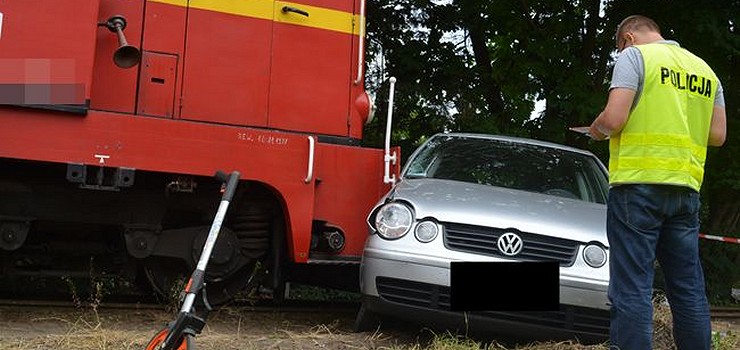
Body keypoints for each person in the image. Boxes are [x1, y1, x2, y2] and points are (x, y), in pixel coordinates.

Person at [588, 15, 727, 350]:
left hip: (637, 187)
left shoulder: (634, 57)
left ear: (629, 37)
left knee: (632, 287)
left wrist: (596, 129)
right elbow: (718, 135)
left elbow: (614, 118)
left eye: (619, 46)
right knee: (688, 289)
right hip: (685, 191)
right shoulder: (704, 70)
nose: (620, 52)